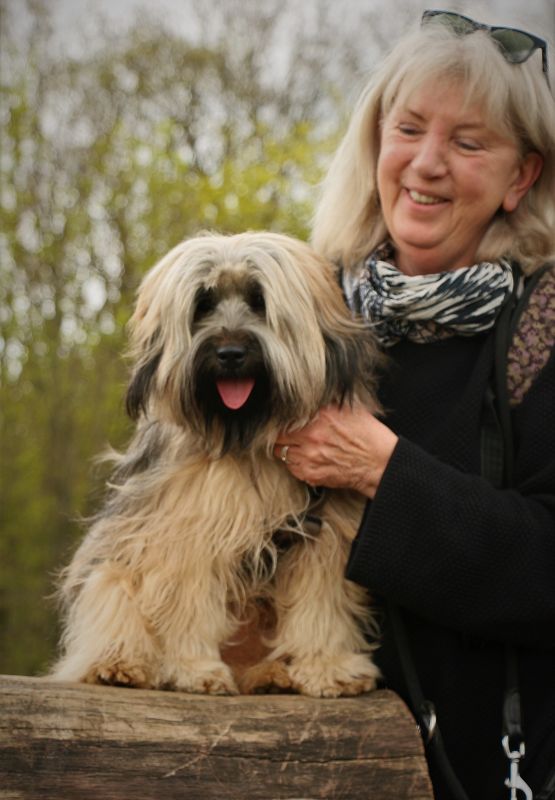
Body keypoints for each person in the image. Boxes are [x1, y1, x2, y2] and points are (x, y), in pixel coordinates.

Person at [275, 10, 555, 799]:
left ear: (521, 178)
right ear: (374, 142)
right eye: (408, 129)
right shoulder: (308, 310)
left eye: (469, 144)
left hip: (492, 767)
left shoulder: (544, 326)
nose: (426, 165)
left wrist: (384, 471)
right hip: (302, 761)